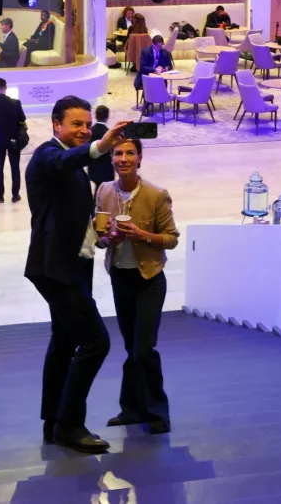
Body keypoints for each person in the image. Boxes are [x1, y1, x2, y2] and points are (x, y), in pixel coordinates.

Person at [24, 96, 129, 454]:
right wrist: (101, 145)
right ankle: (69, 424)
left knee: (65, 341)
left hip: (68, 265)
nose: (84, 130)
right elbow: (63, 160)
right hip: (58, 270)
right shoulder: (47, 155)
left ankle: (53, 421)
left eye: (88, 125)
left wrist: (99, 234)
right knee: (96, 341)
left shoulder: (67, 163)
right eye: (76, 125)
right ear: (56, 124)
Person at [95, 138, 179, 435]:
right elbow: (98, 236)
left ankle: (157, 412)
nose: (124, 158)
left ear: (140, 158)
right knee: (132, 348)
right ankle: (131, 409)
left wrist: (142, 235)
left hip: (149, 280)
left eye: (130, 153)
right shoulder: (104, 190)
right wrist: (108, 240)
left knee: (144, 348)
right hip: (121, 277)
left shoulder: (157, 195)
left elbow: (171, 238)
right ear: (112, 159)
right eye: (118, 153)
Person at [87, 105, 115, 193]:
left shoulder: (90, 131)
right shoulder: (109, 133)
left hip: (93, 169)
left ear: (95, 116)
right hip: (106, 171)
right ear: (107, 117)